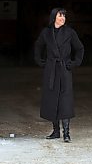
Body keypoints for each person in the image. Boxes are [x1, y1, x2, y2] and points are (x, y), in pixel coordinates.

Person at [34, 8, 84, 142]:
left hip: (64, 69)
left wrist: (74, 63)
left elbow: (79, 48)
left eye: (64, 16)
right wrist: (40, 61)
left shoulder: (70, 32)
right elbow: (38, 46)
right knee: (52, 99)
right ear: (54, 17)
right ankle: (55, 131)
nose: (63, 18)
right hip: (51, 70)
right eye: (60, 16)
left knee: (65, 100)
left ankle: (66, 133)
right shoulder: (46, 32)